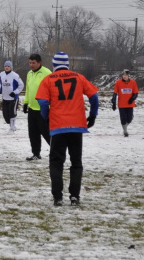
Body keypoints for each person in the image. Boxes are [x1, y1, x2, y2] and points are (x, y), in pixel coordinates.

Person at [36, 52, 99, 206]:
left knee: (56, 162)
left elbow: (43, 103)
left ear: (54, 65)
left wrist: (47, 117)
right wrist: (92, 115)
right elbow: (94, 96)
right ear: (68, 64)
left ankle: (57, 196)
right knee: (76, 161)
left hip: (58, 126)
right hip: (77, 126)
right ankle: (74, 196)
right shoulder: (79, 77)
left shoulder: (48, 79)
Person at [22, 54, 52, 161]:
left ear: (39, 63)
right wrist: (26, 103)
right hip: (32, 109)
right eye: (30, 63)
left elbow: (52, 90)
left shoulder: (47, 73)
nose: (31, 65)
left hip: (43, 109)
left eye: (33, 63)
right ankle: (36, 154)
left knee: (46, 132)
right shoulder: (29, 74)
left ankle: (55, 151)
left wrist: (50, 105)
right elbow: (28, 89)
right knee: (33, 133)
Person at [0, 60, 24, 133]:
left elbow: (21, 85)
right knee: (5, 115)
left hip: (13, 98)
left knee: (12, 113)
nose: (7, 67)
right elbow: (0, 84)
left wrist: (15, 92)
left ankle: (12, 128)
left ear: (11, 67)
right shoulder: (1, 75)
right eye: (5, 66)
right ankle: (11, 125)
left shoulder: (15, 75)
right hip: (5, 97)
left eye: (8, 66)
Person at [112, 69, 138, 137]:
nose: (124, 76)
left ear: (128, 75)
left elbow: (136, 93)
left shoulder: (133, 82)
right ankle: (125, 131)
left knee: (129, 119)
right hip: (122, 104)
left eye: (126, 75)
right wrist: (114, 102)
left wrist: (132, 99)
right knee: (123, 119)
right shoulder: (118, 82)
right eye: (123, 75)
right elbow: (115, 93)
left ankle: (125, 127)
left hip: (130, 104)